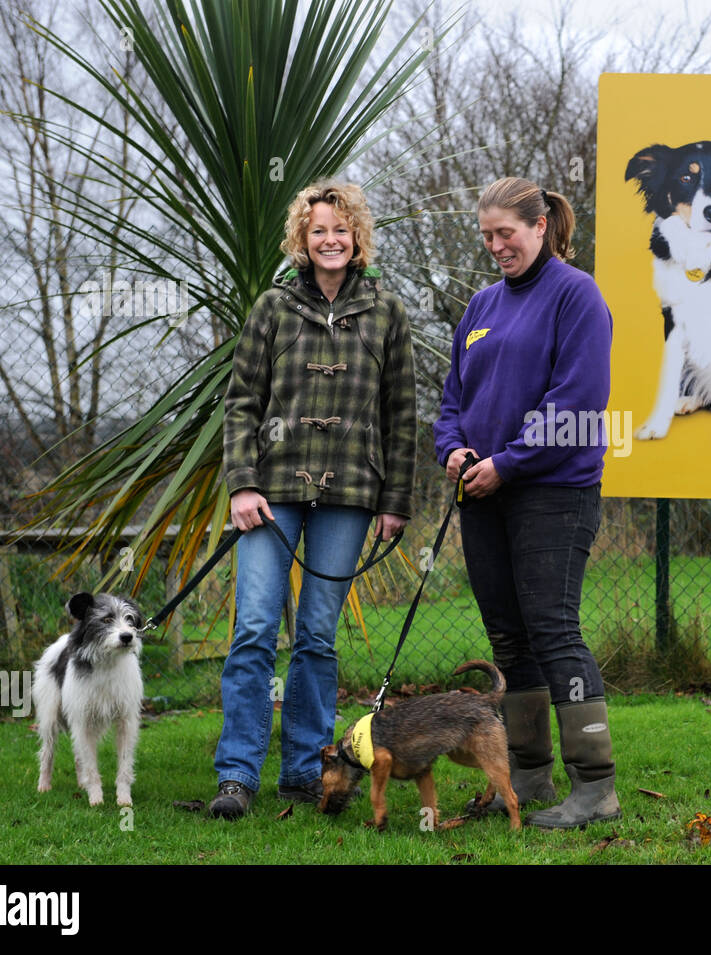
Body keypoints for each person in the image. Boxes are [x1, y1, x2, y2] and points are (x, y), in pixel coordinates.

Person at [209, 179, 416, 819]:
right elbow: (242, 402)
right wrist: (241, 483)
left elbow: (403, 414)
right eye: (318, 229)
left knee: (319, 638)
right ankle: (238, 775)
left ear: (357, 238)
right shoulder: (272, 307)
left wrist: (396, 501)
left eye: (341, 229)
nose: (330, 240)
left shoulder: (386, 311)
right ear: (302, 238)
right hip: (271, 492)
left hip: (353, 491)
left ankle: (304, 770)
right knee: (252, 631)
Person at [433, 177, 619, 828]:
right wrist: (454, 450)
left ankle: (595, 786)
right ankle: (532, 778)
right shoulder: (481, 306)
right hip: (482, 491)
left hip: (553, 492)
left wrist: (506, 464)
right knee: (510, 639)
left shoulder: (578, 296)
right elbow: (453, 400)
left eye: (505, 233)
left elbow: (577, 401)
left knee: (554, 632)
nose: (495, 246)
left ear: (541, 226)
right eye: (486, 236)